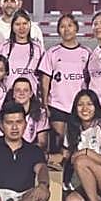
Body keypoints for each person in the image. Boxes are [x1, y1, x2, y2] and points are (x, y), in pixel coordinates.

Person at [38, 12, 90, 157]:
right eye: (62, 26)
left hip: (78, 106)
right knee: (58, 143)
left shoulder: (86, 53)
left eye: (70, 26)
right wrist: (45, 104)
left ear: (76, 29)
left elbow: (89, 80)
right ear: (58, 30)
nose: (66, 29)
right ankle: (57, 177)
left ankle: (72, 175)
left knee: (76, 143)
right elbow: (45, 80)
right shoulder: (52, 53)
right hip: (57, 105)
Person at [8, 77, 49, 149]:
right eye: (18, 90)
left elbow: (42, 143)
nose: (21, 93)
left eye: (25, 90)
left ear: (31, 94)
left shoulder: (41, 113)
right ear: (13, 94)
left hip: (31, 152)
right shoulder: (6, 113)